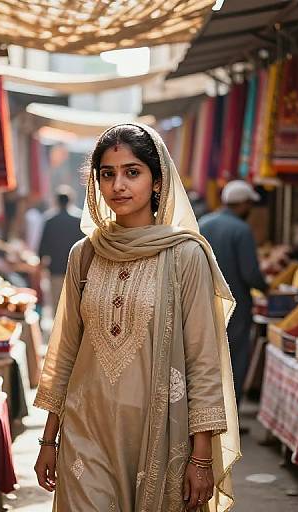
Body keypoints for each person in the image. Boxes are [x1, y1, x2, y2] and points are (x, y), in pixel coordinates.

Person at [34, 124, 240, 512]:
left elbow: (203, 360)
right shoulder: (86, 254)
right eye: (107, 174)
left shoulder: (185, 255)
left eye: (132, 172)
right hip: (85, 431)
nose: (118, 186)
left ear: (157, 180)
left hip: (159, 433)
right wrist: (49, 439)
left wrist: (201, 457)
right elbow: (64, 352)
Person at [199, 181, 268, 406]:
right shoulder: (241, 230)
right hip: (235, 307)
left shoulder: (204, 223)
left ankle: (202, 414)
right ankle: (228, 416)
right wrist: (267, 289)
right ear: (245, 204)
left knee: (203, 359)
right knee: (233, 359)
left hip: (202, 303)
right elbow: (250, 273)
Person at [38, 185, 83, 314]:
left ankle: (58, 333)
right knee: (73, 304)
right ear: (71, 200)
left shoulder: (50, 221)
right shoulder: (78, 220)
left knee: (57, 304)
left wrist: (41, 264)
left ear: (56, 201)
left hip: (55, 269)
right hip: (75, 269)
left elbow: (42, 245)